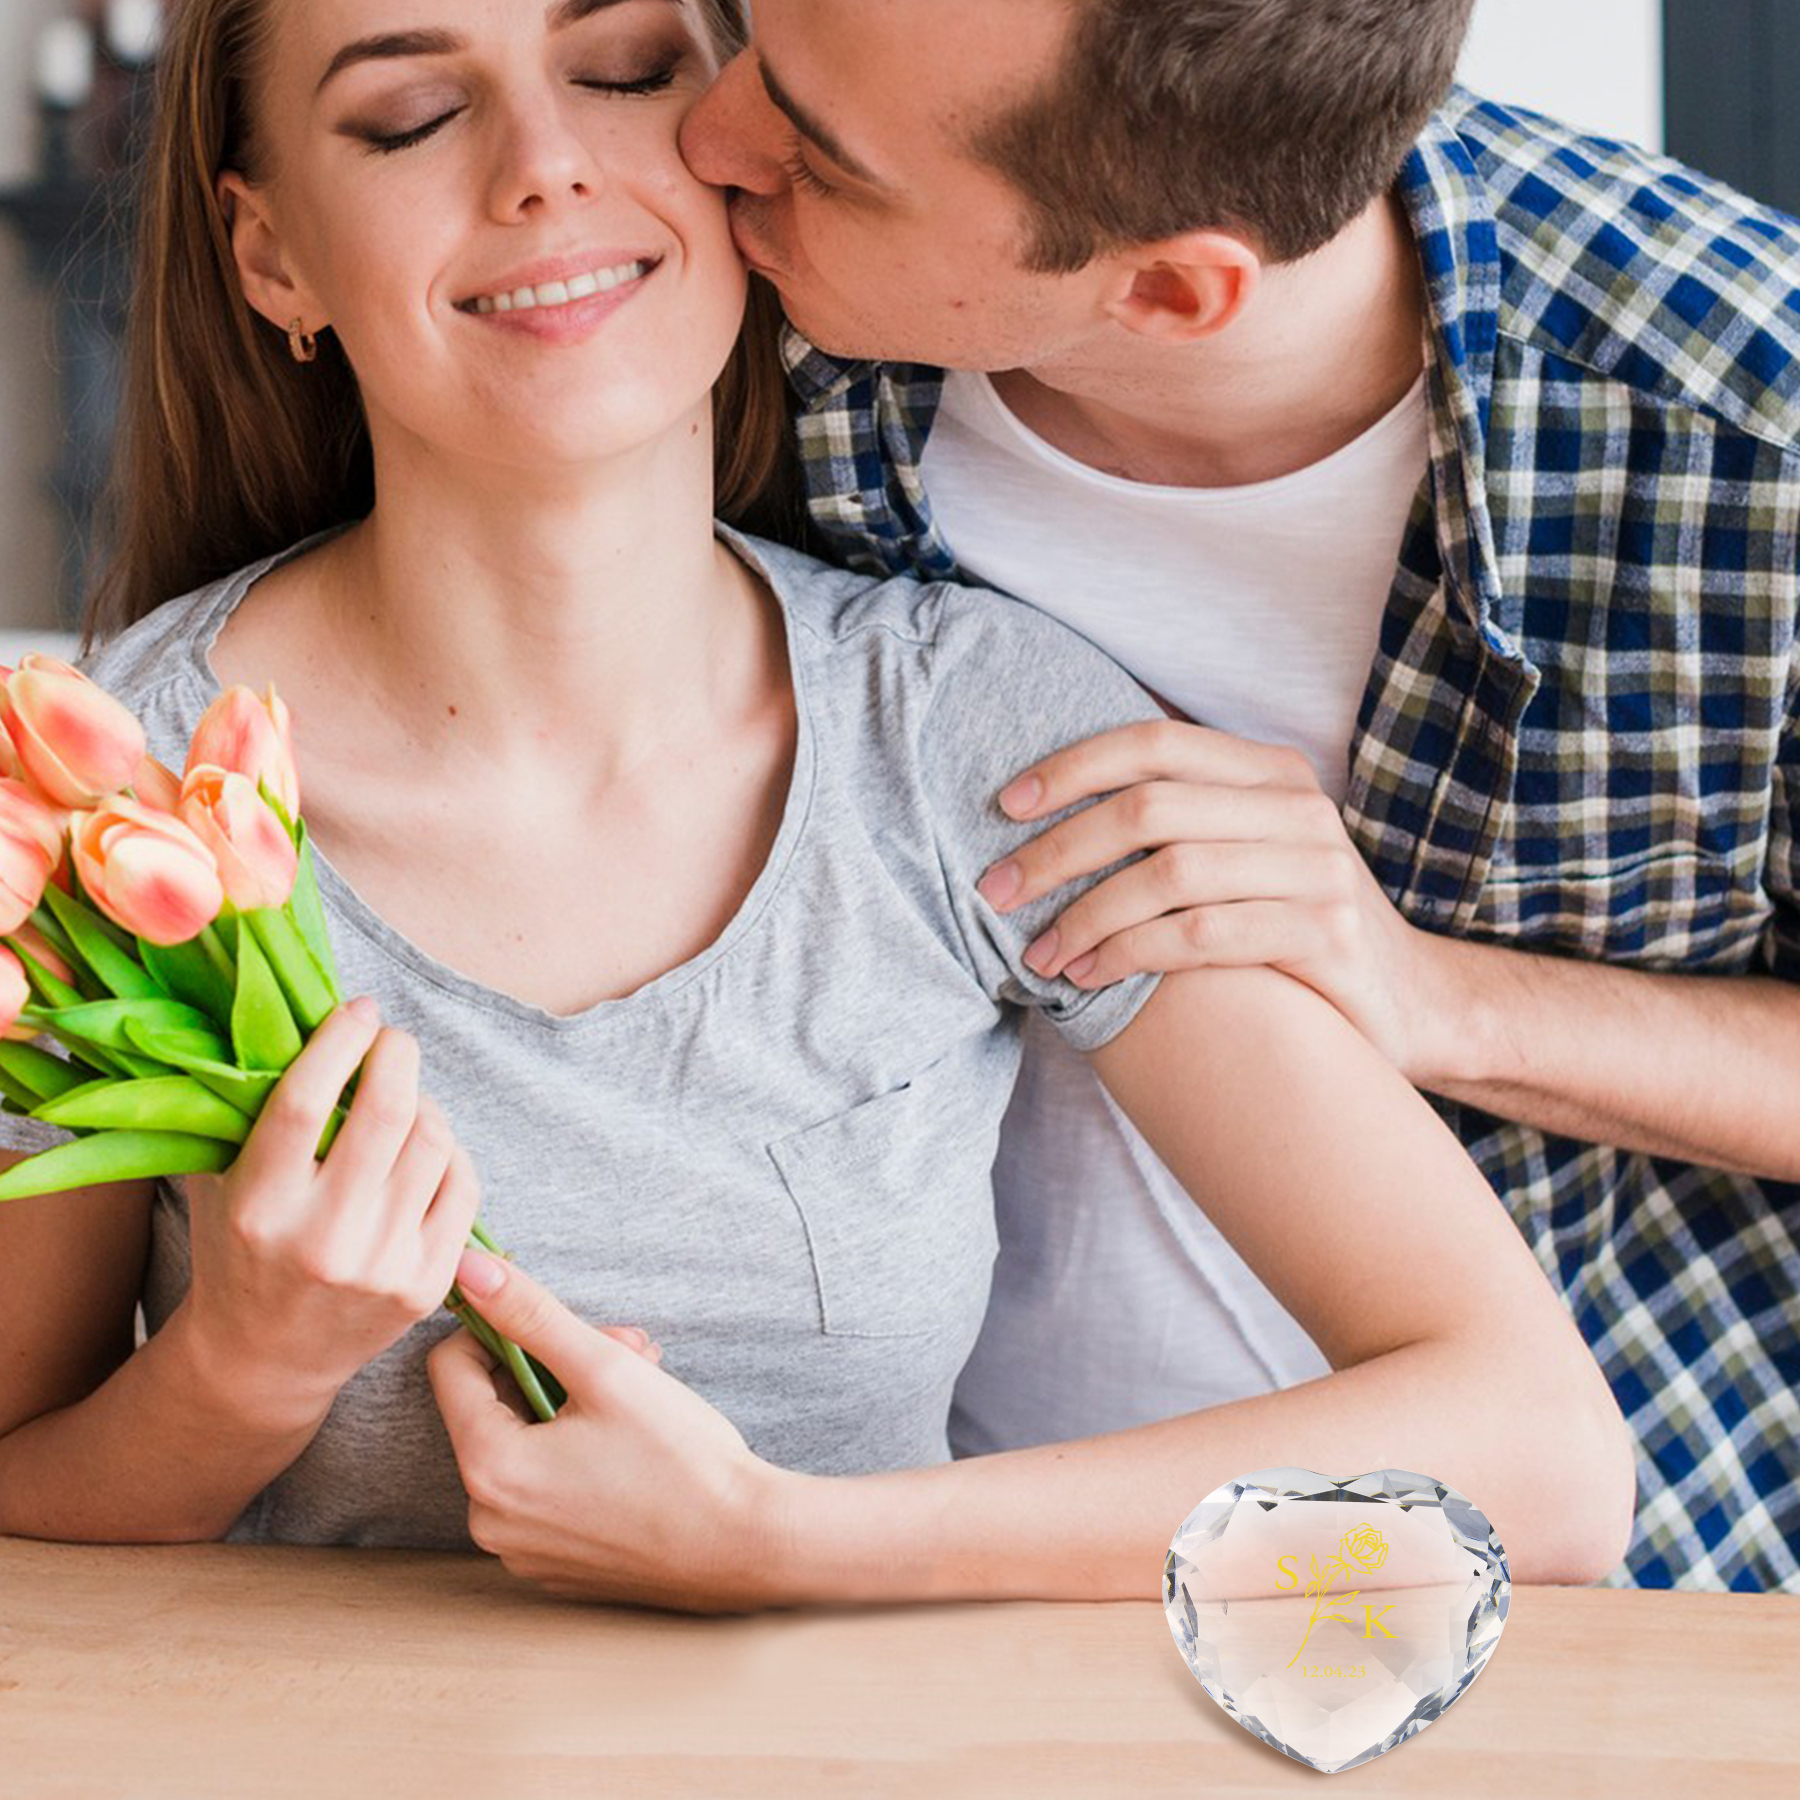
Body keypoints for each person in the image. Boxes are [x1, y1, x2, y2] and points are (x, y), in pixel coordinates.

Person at [0, 0, 1633, 1609]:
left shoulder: (965, 733)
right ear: (272, 253)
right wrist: (235, 1375)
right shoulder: (97, 797)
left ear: (748, 159)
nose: (544, 165)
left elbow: (1538, 1454)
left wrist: (782, 1541)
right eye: (412, 115)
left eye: (627, 71)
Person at [677, 0, 1800, 1594]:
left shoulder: (1750, 433)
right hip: (882, 1566)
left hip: (1555, 1596)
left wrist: (1435, 998)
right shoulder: (711, 300)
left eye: (826, 158)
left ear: (1169, 290)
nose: (709, 138)